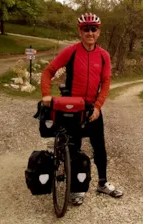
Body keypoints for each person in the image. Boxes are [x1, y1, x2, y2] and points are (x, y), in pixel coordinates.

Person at [40, 13, 123, 205]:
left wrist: (98, 106)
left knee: (99, 148)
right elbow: (48, 71)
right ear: (80, 31)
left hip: (92, 108)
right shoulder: (71, 52)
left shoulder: (103, 56)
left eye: (93, 29)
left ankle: (102, 183)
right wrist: (45, 94)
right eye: (86, 29)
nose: (90, 32)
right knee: (74, 147)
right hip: (71, 108)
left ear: (99, 32)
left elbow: (106, 82)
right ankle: (76, 188)